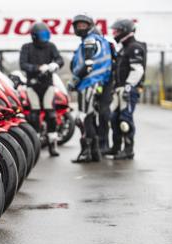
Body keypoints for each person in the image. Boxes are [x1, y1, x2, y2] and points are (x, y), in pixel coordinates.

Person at [69, 14, 112, 163]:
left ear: (90, 26)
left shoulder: (89, 40)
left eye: (83, 25)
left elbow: (88, 65)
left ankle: (86, 152)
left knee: (83, 119)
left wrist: (74, 80)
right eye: (77, 25)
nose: (80, 28)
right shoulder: (101, 40)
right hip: (97, 83)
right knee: (90, 118)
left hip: (89, 83)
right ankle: (95, 153)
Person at [19, 22, 64, 157]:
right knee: (34, 114)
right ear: (33, 36)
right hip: (32, 85)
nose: (44, 38)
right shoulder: (26, 47)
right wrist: (38, 68)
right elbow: (23, 64)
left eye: (46, 35)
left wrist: (55, 64)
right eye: (41, 36)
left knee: (51, 113)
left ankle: (52, 143)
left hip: (48, 84)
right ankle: (35, 143)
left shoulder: (51, 46)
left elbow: (60, 59)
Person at [108, 19, 146, 160]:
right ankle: (116, 147)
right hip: (119, 88)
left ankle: (128, 149)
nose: (114, 33)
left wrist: (129, 87)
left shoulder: (134, 47)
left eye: (117, 30)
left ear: (125, 31)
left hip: (128, 89)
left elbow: (138, 70)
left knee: (125, 120)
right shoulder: (123, 48)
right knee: (114, 118)